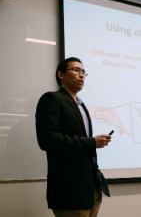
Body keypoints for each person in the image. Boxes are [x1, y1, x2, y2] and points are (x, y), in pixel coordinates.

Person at [35, 57, 111, 217]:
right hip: (69, 190)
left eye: (84, 72)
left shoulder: (82, 105)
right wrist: (91, 143)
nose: (82, 75)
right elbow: (47, 139)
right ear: (61, 74)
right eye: (76, 70)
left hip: (92, 189)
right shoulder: (52, 99)